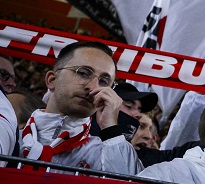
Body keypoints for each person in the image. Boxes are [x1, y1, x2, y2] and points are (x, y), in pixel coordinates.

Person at [15, 41, 140, 173]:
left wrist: (111, 129)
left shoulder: (105, 154)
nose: (93, 87)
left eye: (103, 81)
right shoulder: (11, 136)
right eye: (83, 73)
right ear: (52, 80)